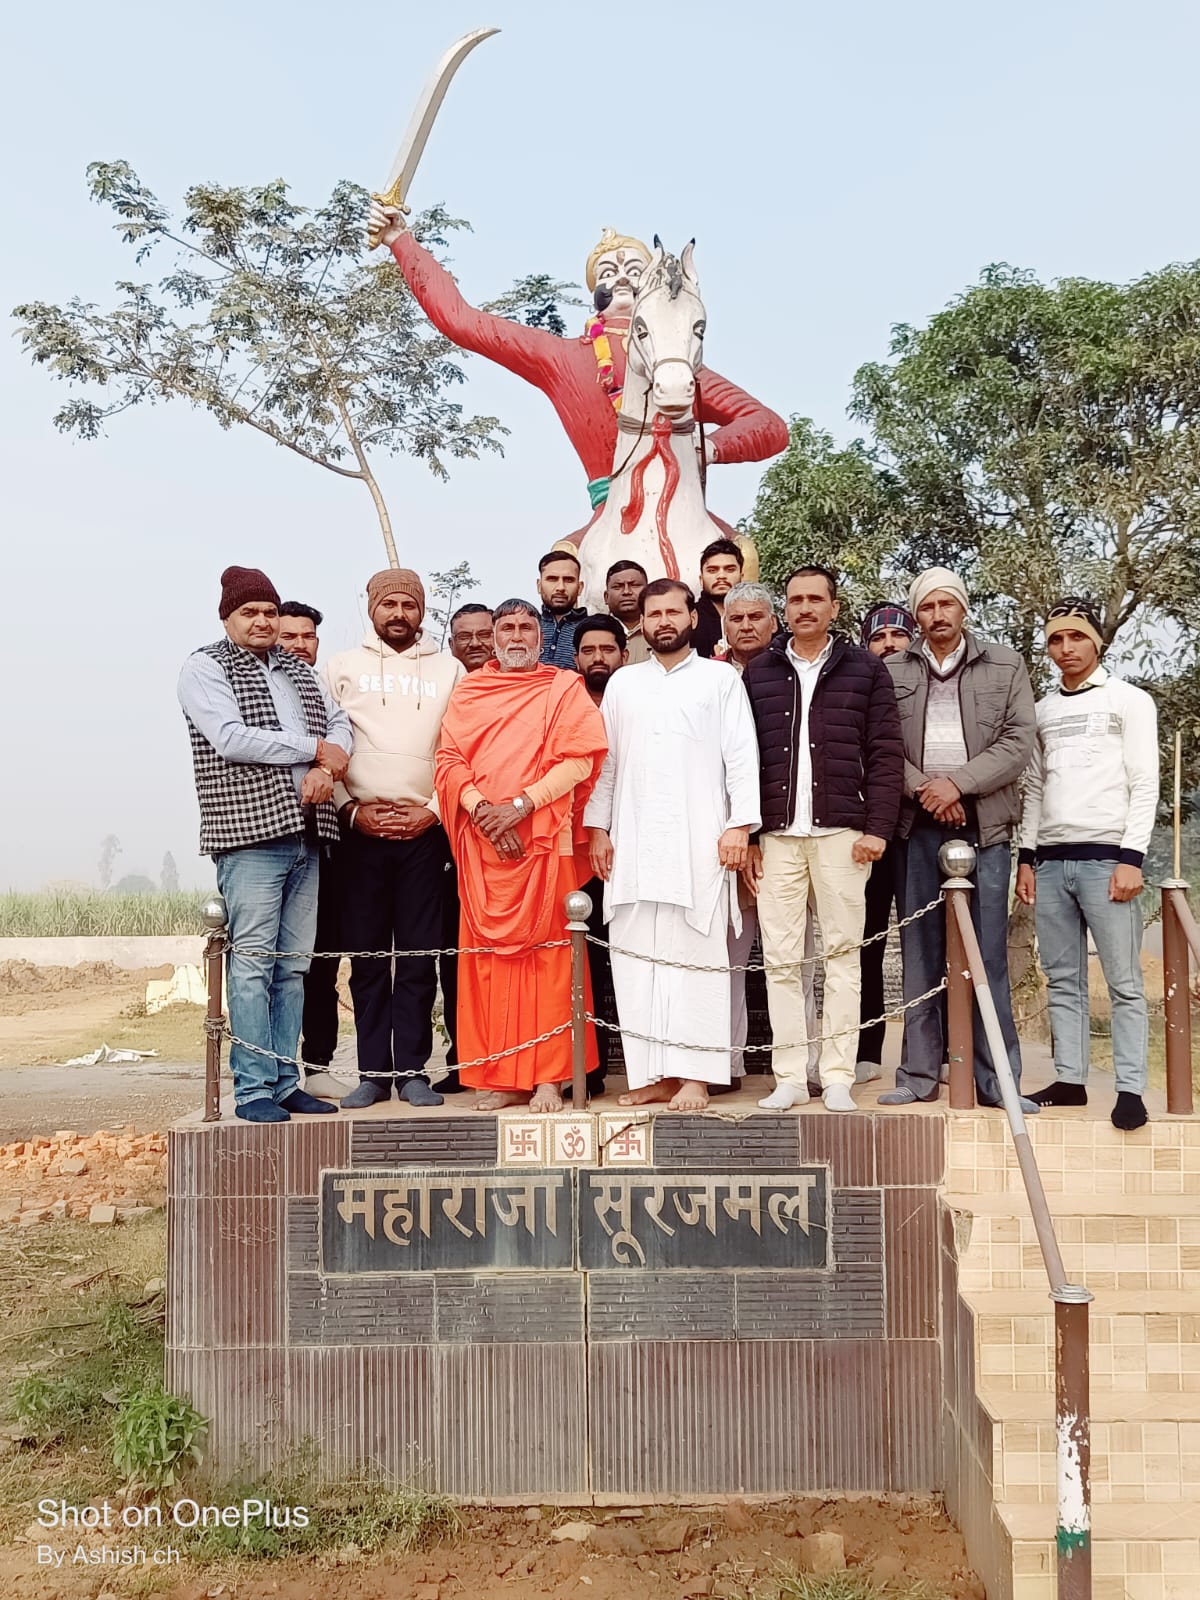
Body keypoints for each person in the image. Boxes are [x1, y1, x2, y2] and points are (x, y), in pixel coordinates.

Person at [369, 207, 787, 547]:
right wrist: (401, 241)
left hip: (683, 502)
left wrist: (707, 448)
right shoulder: (563, 358)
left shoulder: (677, 366)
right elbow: (462, 321)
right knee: (562, 565)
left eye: (634, 270)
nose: (620, 277)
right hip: (606, 513)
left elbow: (770, 426)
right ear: (594, 294)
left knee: (742, 556)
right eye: (607, 273)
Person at [177, 566, 352, 1123]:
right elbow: (230, 738)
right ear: (226, 617)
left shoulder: (299, 671)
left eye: (269, 612)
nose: (262, 621)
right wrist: (314, 750)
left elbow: (341, 725)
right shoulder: (206, 667)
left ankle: (284, 1081)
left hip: (307, 833)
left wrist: (328, 763)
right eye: (249, 612)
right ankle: (253, 1089)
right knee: (252, 965)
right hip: (250, 836)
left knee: (292, 966)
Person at [585, 579, 761, 1111]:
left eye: (673, 612)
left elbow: (741, 755)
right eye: (654, 613)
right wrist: (598, 827)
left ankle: (695, 1076)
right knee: (636, 963)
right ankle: (654, 1074)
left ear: (692, 618)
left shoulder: (720, 679)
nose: (664, 621)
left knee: (696, 961)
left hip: (699, 845)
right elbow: (607, 763)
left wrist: (739, 826)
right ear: (641, 623)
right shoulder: (624, 683)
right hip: (633, 845)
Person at [435, 599, 608, 1110]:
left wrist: (520, 806)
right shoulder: (470, 691)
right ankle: (502, 1076)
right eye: (506, 627)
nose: (516, 636)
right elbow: (448, 761)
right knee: (488, 964)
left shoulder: (563, 687)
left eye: (525, 627)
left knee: (550, 961)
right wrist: (483, 812)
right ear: (493, 637)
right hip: (484, 844)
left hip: (544, 842)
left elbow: (580, 761)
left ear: (540, 636)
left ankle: (550, 1077)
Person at [743, 567, 903, 1114]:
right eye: (795, 600)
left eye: (816, 599)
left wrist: (877, 829)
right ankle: (790, 1076)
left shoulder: (865, 669)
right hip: (778, 837)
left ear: (834, 608)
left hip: (843, 834)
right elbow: (743, 759)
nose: (805, 608)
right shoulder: (759, 672)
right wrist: (751, 834)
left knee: (842, 957)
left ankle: (836, 1075)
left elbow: (885, 753)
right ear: (784, 610)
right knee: (782, 961)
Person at [879, 567, 1038, 1111]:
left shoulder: (1005, 665)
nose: (938, 615)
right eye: (927, 607)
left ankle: (998, 1081)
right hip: (916, 826)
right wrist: (926, 790)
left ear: (964, 609)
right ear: (916, 615)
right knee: (920, 952)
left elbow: (1018, 741)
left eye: (947, 604)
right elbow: (879, 743)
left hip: (984, 825)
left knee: (986, 954)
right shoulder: (892, 670)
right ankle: (919, 1074)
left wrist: (958, 784)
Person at [1016, 599, 1159, 1132]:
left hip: (1108, 860)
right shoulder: (1042, 711)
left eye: (1076, 636)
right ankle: (1070, 1079)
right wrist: (1026, 857)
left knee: (1123, 981)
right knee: (1062, 978)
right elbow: (1034, 787)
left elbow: (1144, 782)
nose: (1066, 648)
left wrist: (1131, 858)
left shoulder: (1129, 701)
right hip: (1052, 861)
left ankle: (1130, 1089)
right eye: (1056, 639)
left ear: (1096, 641)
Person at [323, 569, 464, 1108]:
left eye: (409, 604)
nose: (399, 614)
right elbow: (327, 743)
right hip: (360, 833)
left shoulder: (449, 670)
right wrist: (351, 809)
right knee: (367, 959)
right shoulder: (341, 666)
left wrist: (433, 812)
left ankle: (412, 1072)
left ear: (421, 610)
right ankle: (373, 1074)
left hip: (424, 834)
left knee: (418, 957)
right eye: (389, 604)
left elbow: (459, 749)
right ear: (371, 609)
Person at [276, 601, 348, 1101]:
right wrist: (318, 754)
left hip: (324, 839)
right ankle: (270, 1071)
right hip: (269, 841)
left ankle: (317, 1064)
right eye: (289, 637)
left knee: (322, 960)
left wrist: (326, 767)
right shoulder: (256, 690)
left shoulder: (323, 689)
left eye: (308, 637)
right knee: (268, 964)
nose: (299, 646)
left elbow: (343, 738)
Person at [854, 601, 918, 1086]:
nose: (889, 645)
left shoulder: (930, 688)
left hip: (919, 827)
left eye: (898, 636)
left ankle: (931, 1051)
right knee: (865, 943)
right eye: (878, 638)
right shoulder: (857, 688)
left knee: (924, 943)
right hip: (869, 829)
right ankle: (866, 1048)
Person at [693, 538, 744, 659]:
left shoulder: (761, 615)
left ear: (741, 576)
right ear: (701, 579)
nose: (721, 576)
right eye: (712, 570)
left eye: (730, 570)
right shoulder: (688, 619)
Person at [537, 550, 588, 668]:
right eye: (552, 579)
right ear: (539, 586)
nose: (561, 587)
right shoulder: (524, 627)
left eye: (568, 580)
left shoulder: (592, 630)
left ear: (580, 587)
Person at [604, 561, 650, 664]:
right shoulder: (592, 632)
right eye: (618, 586)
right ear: (606, 597)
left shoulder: (660, 630)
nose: (626, 592)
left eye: (635, 585)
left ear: (648, 593)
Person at [448, 603, 495, 673]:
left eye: (484, 635)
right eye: (464, 637)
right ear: (451, 644)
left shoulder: (512, 677)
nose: (475, 644)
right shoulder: (438, 678)